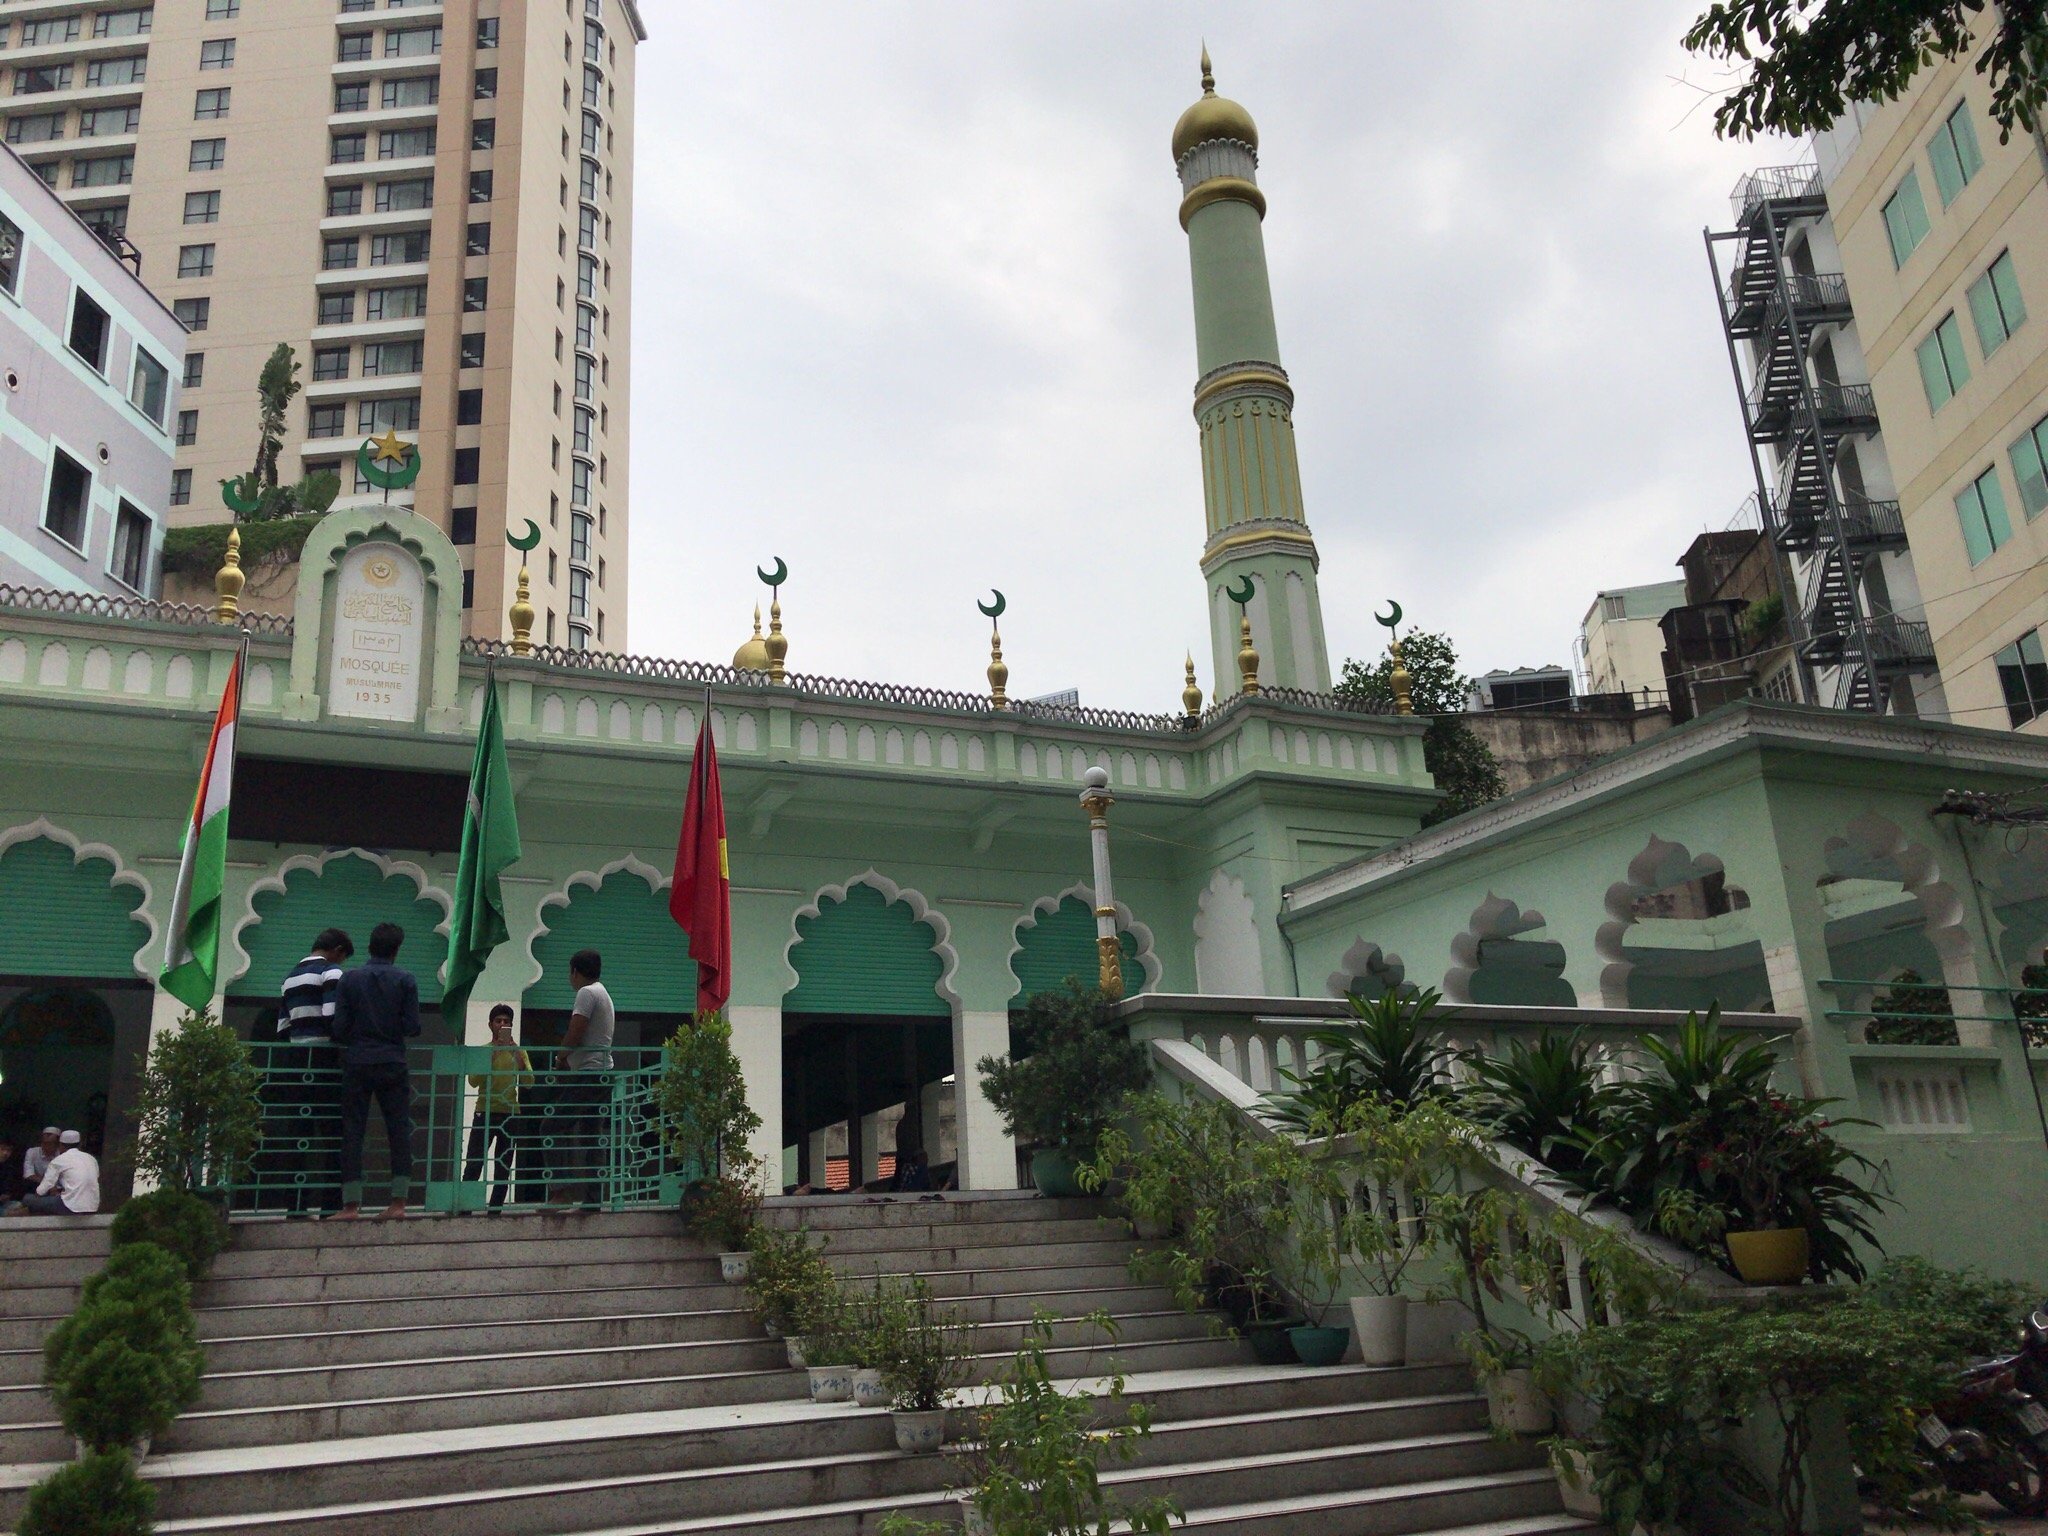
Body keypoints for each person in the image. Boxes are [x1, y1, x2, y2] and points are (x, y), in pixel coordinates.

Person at [330, 921, 420, 1221]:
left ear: (369, 946)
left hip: (357, 1062)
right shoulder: (405, 980)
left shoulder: (350, 979)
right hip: (393, 1062)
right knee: (398, 1130)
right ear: (396, 950)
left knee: (353, 1130)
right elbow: (413, 1027)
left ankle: (351, 1206)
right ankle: (398, 1203)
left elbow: (339, 1028)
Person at [264, 928, 353, 1215]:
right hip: (325, 1061)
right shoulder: (332, 973)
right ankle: (330, 1206)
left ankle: (296, 1206)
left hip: (297, 1060)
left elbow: (283, 1026)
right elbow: (332, 1016)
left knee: (299, 1133)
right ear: (337, 950)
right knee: (334, 1134)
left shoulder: (289, 978)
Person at [548, 950, 615, 1205]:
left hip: (588, 1073)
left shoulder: (586, 993)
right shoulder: (603, 992)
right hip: (602, 1071)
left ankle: (559, 1191)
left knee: (551, 1126)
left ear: (575, 971)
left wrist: (561, 1056)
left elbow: (576, 1030)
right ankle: (592, 1199)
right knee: (591, 1135)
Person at [463, 1005, 532, 1212]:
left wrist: (517, 1055)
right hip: (484, 1111)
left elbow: (528, 1082)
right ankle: (465, 1206)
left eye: (506, 1022)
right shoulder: (484, 1050)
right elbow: (473, 1081)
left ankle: (495, 1209)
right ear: (490, 1025)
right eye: (498, 1021)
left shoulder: (519, 1051)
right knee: (475, 1161)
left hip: (510, 1114)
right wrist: (492, 1055)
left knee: (503, 1166)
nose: (502, 1024)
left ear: (511, 1025)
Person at [25, 1130, 99, 1215]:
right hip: (92, 1206)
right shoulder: (92, 1159)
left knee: (28, 1199)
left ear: (60, 1145)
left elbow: (45, 1186)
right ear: (80, 1144)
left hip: (69, 1207)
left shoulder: (59, 1160)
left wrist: (37, 1197)